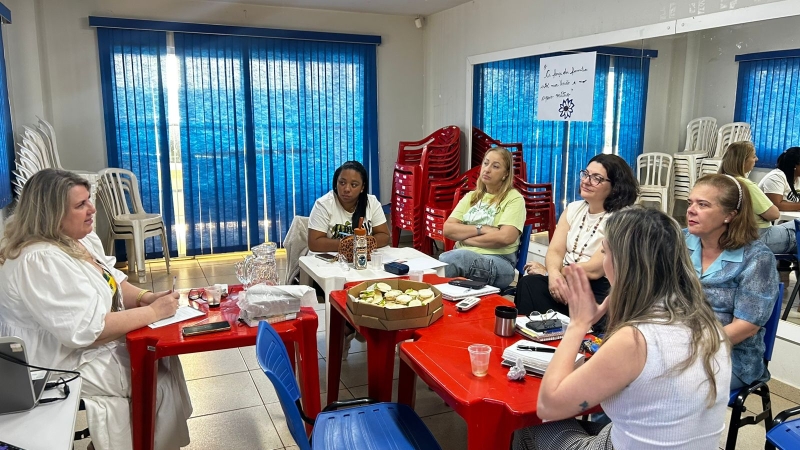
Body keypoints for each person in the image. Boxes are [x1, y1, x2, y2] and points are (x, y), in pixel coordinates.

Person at [0, 169, 191, 450]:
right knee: (149, 370)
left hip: (83, 347)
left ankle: (147, 442)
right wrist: (154, 313)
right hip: (56, 364)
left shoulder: (78, 239)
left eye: (89, 199)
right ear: (51, 214)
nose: (92, 209)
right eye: (81, 205)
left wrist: (146, 298)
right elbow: (87, 331)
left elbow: (115, 280)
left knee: (161, 359)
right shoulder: (39, 259)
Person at [513, 207, 731, 450]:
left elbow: (549, 405)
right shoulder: (708, 323)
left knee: (526, 426)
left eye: (604, 252)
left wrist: (578, 325)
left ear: (622, 263)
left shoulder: (636, 339)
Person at [513, 154, 638, 331]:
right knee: (529, 284)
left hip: (598, 288)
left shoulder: (623, 219)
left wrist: (552, 273)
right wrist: (553, 275)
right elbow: (555, 251)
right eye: (585, 174)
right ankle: (533, 339)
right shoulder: (573, 208)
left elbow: (595, 269)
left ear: (616, 187)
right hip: (566, 280)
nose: (586, 181)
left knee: (602, 313)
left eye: (597, 178)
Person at [686, 174, 779, 390]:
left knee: (665, 387)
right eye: (691, 202)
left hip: (730, 355)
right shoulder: (677, 242)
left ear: (729, 215)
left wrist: (688, 349)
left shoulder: (757, 258)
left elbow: (745, 327)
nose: (691, 210)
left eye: (703, 204)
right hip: (675, 344)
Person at [439, 146, 525, 289]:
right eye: (486, 163)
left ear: (505, 174)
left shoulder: (514, 198)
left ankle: (434, 299)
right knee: (442, 262)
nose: (487, 169)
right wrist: (481, 229)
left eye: (495, 166)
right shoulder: (471, 197)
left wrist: (465, 238)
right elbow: (448, 229)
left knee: (451, 259)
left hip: (499, 262)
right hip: (463, 256)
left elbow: (505, 237)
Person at [720, 141, 794, 254]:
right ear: (743, 161)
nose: (757, 159)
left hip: (732, 235)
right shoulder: (746, 185)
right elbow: (774, 214)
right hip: (757, 237)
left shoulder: (721, 181)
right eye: (753, 156)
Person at [307, 160, 390, 252]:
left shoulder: (372, 202)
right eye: (342, 183)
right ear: (336, 183)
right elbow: (314, 243)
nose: (346, 189)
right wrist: (351, 244)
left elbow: (384, 236)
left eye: (354, 185)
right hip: (331, 258)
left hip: (362, 256)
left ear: (362, 187)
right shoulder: (323, 204)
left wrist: (359, 245)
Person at [758, 146, 800, 211]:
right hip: (770, 217)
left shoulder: (797, 178)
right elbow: (777, 205)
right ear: (795, 165)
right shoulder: (776, 177)